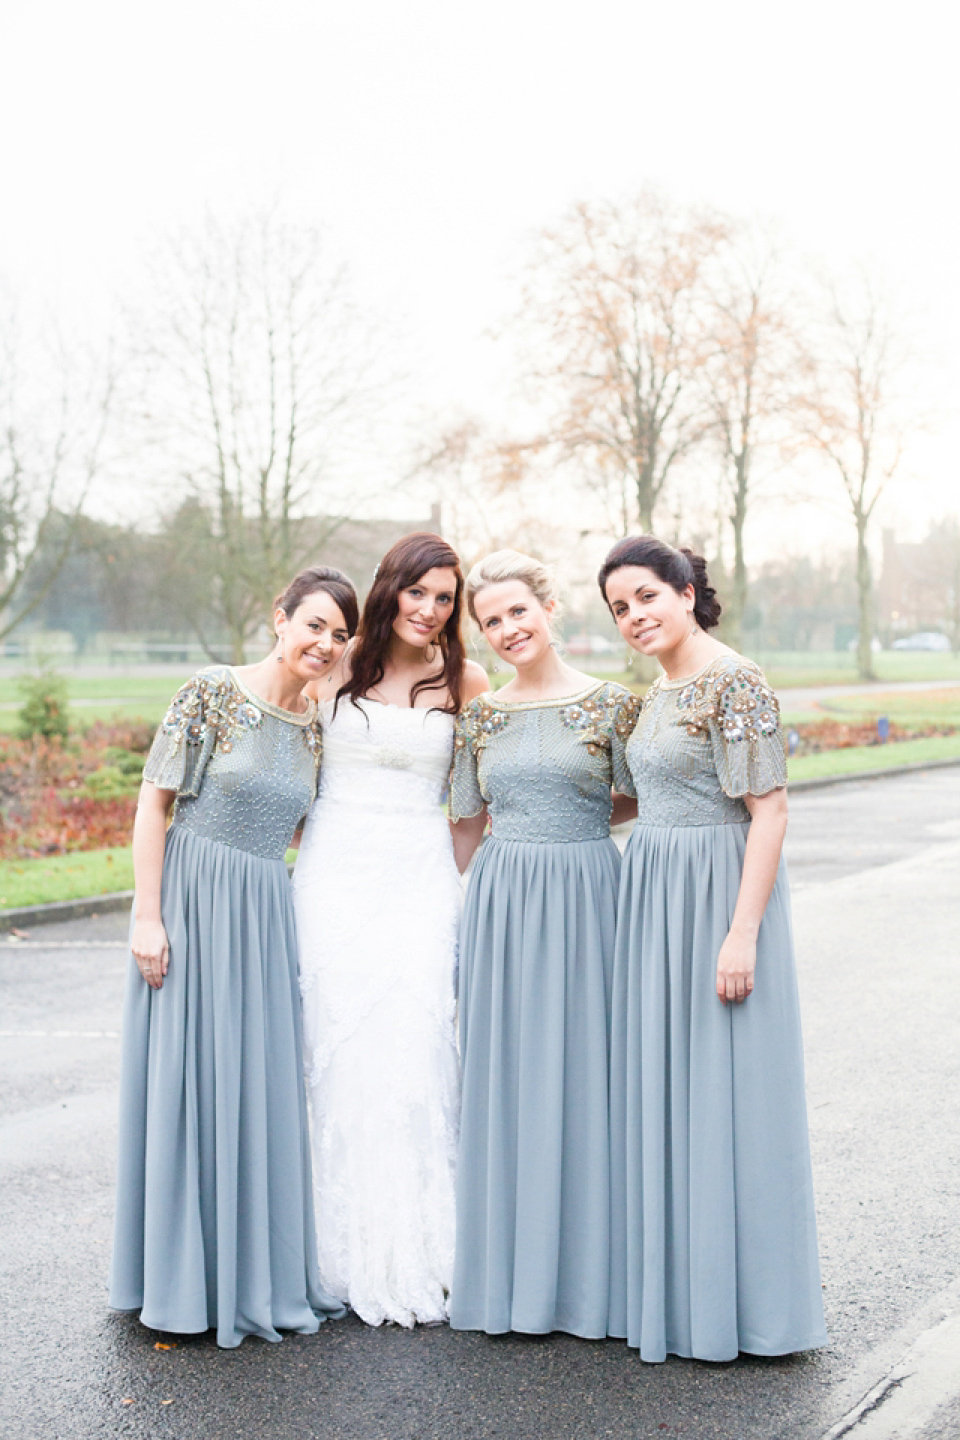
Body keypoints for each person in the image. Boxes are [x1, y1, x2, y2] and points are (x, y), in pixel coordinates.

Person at [109, 567, 358, 1348]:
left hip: (263, 912)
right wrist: (147, 916)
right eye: (313, 624)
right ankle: (179, 1278)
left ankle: (251, 1271)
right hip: (193, 898)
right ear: (279, 619)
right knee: (188, 1081)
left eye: (339, 635)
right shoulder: (210, 692)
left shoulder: (317, 725)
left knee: (251, 1086)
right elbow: (155, 803)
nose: (323, 643)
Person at [599, 535, 827, 1363]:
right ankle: (678, 1292)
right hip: (653, 892)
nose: (634, 617)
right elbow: (642, 798)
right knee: (669, 1093)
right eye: (620, 607)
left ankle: (752, 1308)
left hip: (716, 894)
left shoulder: (736, 680)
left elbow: (768, 809)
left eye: (646, 597)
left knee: (729, 1095)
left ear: (686, 591)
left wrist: (742, 931)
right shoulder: (655, 692)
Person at [294, 532, 488, 1327]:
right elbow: (290, 770)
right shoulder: (337, 667)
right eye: (419, 592)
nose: (431, 610)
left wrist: (444, 876)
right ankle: (322, 1245)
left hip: (419, 878)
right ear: (390, 589)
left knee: (413, 1047)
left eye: (445, 598)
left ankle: (423, 1245)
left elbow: (471, 805)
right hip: (333, 876)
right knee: (329, 1044)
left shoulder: (466, 680)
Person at [447, 549, 640, 1338]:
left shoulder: (613, 705)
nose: (507, 629)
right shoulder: (481, 716)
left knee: (589, 1075)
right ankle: (508, 1273)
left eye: (518, 612)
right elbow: (464, 821)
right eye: (491, 622)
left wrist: (577, 830)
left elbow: (641, 796)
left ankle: (592, 1278)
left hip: (589, 895)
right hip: (501, 901)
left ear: (549, 608)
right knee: (509, 1077)